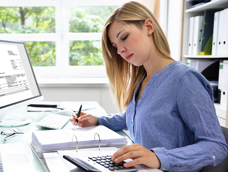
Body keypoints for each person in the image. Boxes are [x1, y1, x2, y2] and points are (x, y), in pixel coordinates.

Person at [70, 1, 228, 172]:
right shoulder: (142, 79)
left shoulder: (185, 80)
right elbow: (136, 118)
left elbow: (216, 146)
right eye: (115, 46)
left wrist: (159, 157)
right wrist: (99, 120)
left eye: (124, 37)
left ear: (148, 27)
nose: (120, 51)